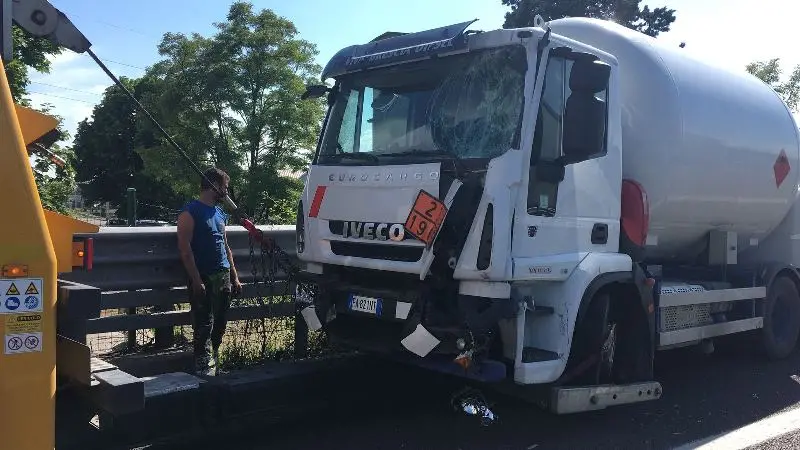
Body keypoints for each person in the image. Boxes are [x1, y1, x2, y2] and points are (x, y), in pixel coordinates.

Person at [177, 167, 242, 376]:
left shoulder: (220, 213)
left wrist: (235, 277)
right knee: (203, 323)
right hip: (202, 277)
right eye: (224, 187)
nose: (226, 192)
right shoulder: (190, 212)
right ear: (213, 185)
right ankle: (202, 367)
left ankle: (215, 364)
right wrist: (196, 280)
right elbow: (185, 249)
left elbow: (226, 246)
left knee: (220, 323)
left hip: (222, 275)